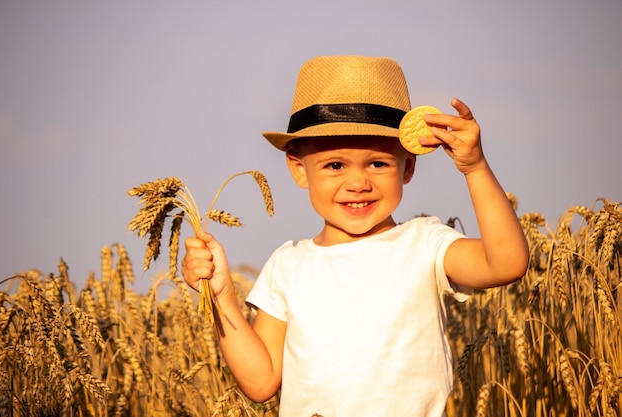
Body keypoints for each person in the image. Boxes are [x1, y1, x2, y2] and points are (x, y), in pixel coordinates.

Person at [181, 55, 529, 416]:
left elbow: (506, 263)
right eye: (335, 166)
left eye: (378, 164)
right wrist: (221, 296)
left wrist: (474, 167)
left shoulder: (424, 244)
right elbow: (261, 381)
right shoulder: (288, 265)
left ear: (407, 167)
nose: (358, 183)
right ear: (299, 170)